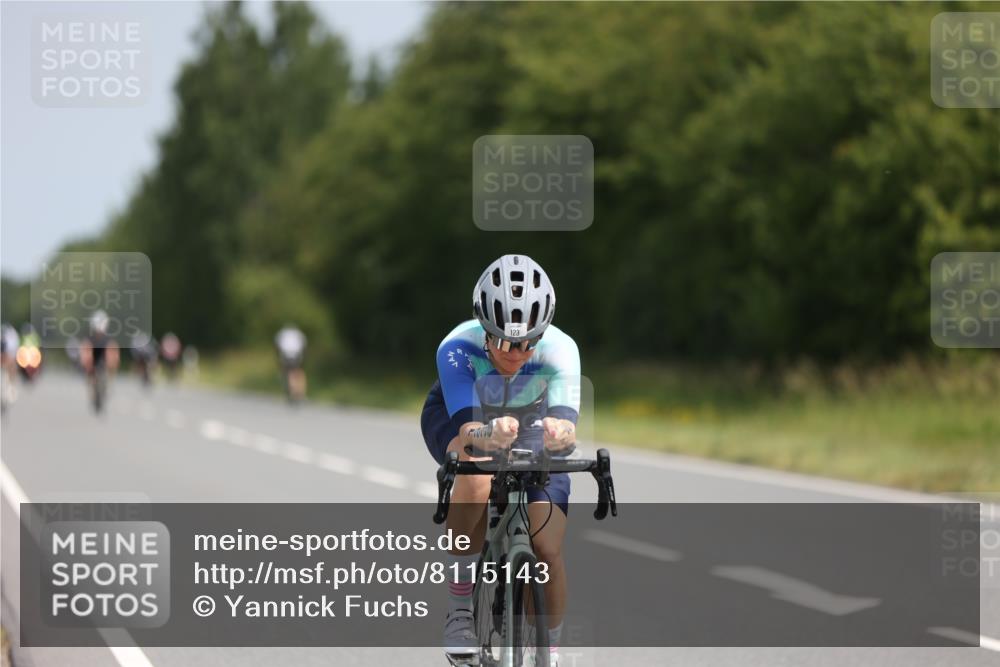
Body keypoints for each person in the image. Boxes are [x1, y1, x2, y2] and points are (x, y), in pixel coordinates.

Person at [421, 255, 578, 666]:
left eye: (529, 343)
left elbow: (565, 427)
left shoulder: (561, 350)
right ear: (485, 330)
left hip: (531, 420)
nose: (518, 353)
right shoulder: (457, 347)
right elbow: (469, 432)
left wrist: (560, 434)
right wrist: (489, 434)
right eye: (507, 343)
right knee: (476, 471)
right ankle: (458, 611)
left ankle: (552, 650)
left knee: (547, 548)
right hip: (465, 418)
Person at [80, 310, 120, 412]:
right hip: (93, 362)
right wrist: (86, 362)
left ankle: (109, 385)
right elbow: (85, 351)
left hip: (103, 362)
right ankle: (92, 390)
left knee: (110, 368)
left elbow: (113, 353)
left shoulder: (108, 340)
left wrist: (112, 362)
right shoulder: (89, 339)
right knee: (89, 375)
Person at [274, 324, 307, 403]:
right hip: (297, 355)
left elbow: (277, 346)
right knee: (298, 372)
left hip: (286, 355)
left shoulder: (282, 333)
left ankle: (293, 392)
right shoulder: (299, 333)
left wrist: (278, 357)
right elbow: (304, 345)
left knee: (289, 373)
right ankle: (300, 392)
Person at [1, 323, 20, 412]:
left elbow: (12, 353)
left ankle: (11, 390)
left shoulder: (12, 337)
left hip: (10, 359)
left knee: (11, 369)